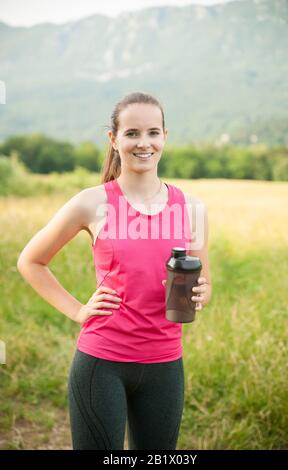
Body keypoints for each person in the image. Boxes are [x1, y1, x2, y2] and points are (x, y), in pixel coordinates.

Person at [17, 91, 212, 450]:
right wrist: (78, 310)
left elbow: (204, 283)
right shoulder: (93, 202)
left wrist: (201, 294)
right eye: (132, 133)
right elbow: (30, 261)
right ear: (114, 139)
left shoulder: (192, 208)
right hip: (102, 361)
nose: (144, 143)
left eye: (153, 132)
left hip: (165, 364)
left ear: (165, 137)